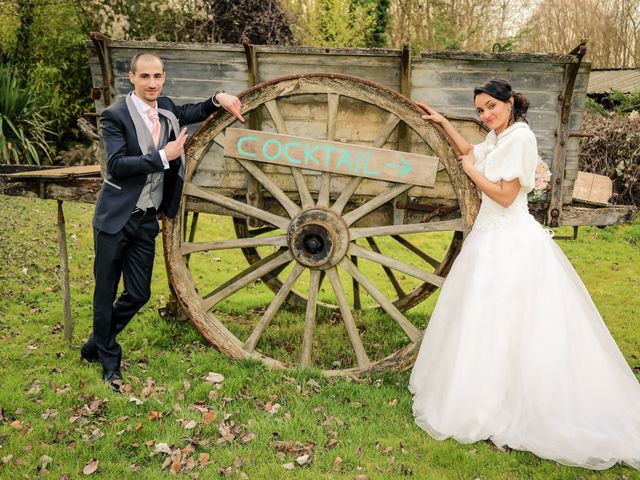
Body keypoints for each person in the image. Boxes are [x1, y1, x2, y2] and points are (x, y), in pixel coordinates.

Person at [409, 78, 640, 470]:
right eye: (480, 110)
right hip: (490, 238)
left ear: (510, 102)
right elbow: (472, 152)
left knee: (510, 320)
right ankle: (485, 393)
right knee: (486, 321)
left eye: (491, 107)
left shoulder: (520, 139)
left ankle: (514, 401)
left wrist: (469, 172)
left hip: (510, 241)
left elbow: (503, 195)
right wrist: (442, 122)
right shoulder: (500, 137)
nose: (485, 116)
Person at [81, 52, 244, 391]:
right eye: (145, 77)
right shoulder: (115, 116)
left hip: (146, 220)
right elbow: (117, 165)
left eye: (157, 76)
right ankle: (110, 364)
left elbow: (194, 111)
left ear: (164, 78)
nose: (152, 83)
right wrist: (162, 157)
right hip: (114, 218)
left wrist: (219, 97)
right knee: (105, 291)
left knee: (138, 293)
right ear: (132, 78)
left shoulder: (166, 108)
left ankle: (97, 341)